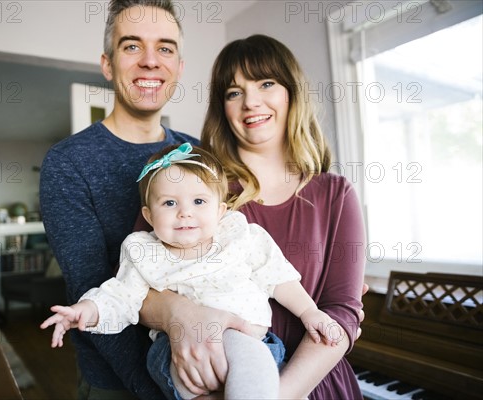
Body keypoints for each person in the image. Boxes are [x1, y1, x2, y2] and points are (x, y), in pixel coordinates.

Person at [39, 1, 247, 398]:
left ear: (179, 68)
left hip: (210, 371)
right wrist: (158, 392)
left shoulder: (198, 154)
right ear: (107, 64)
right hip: (121, 384)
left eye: (165, 48)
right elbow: (93, 288)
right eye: (132, 46)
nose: (151, 61)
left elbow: (229, 245)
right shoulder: (68, 163)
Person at [145, 34, 367, 399]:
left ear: (290, 93)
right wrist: (179, 315)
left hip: (314, 384)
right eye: (234, 92)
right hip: (216, 387)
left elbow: (342, 313)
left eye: (266, 83)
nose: (251, 102)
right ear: (223, 107)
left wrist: (272, 394)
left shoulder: (335, 193)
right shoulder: (194, 189)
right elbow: (140, 284)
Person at [41, 143, 344, 400]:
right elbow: (120, 296)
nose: (185, 212)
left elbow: (277, 276)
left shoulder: (240, 237)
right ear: (148, 215)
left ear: (220, 211)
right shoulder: (145, 251)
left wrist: (310, 313)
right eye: (169, 202)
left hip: (250, 344)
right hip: (178, 355)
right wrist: (85, 310)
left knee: (250, 359)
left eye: (199, 201)